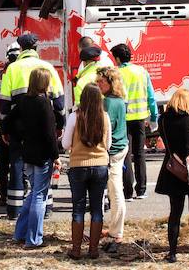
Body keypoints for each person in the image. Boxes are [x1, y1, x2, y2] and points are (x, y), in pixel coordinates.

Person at [0, 33, 64, 220]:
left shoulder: (12, 69)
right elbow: (59, 102)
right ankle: (46, 207)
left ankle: (15, 210)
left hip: (19, 126)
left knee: (17, 165)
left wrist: (5, 128)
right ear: (36, 48)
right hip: (44, 124)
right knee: (44, 164)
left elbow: (4, 103)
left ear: (20, 49)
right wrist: (59, 125)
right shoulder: (47, 67)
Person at [5, 67, 60, 248]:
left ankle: (20, 233)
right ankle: (34, 239)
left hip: (27, 152)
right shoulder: (44, 103)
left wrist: (19, 136)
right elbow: (49, 133)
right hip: (42, 154)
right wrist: (56, 155)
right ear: (44, 83)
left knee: (33, 193)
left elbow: (7, 122)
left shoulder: (23, 101)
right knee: (39, 196)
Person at [156, 88, 189, 263]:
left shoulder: (163, 120)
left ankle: (172, 253)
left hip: (172, 168)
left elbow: (165, 142)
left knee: (175, 212)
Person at [61, 83, 111, 260]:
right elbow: (108, 144)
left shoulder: (75, 117)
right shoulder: (104, 117)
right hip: (100, 165)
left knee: (78, 208)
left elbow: (65, 144)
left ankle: (76, 250)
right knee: (97, 209)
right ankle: (93, 249)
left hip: (78, 166)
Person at [111, 43, 158, 201]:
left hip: (123, 119)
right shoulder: (141, 71)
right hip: (140, 117)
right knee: (140, 154)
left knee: (125, 155)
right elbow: (151, 96)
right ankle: (142, 190)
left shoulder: (115, 73)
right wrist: (154, 117)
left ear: (117, 58)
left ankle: (128, 192)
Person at [95, 66, 129, 254]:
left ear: (110, 82)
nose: (99, 84)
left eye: (102, 81)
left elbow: (106, 128)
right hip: (121, 146)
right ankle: (114, 227)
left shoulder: (108, 102)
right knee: (114, 190)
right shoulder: (119, 100)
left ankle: (117, 231)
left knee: (115, 191)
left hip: (113, 151)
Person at [0, 41, 20, 207]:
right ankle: (18, 194)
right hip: (17, 127)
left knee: (3, 163)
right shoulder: (22, 73)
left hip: (1, 126)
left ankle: (4, 196)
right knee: (18, 161)